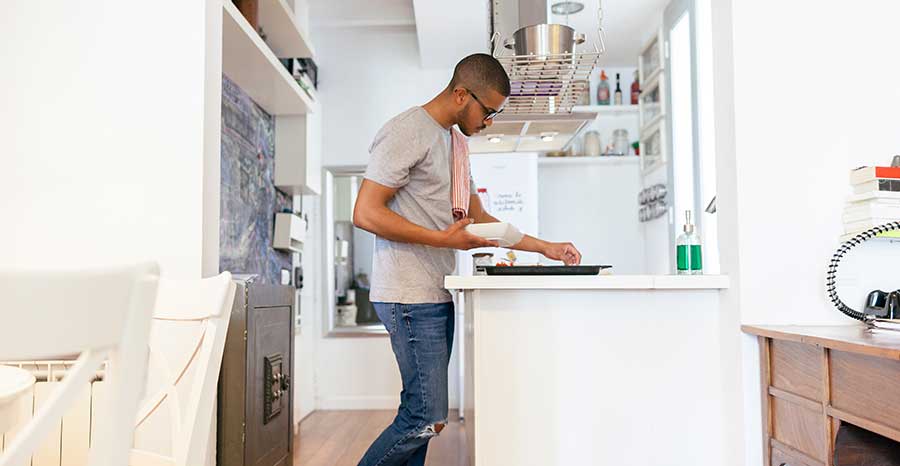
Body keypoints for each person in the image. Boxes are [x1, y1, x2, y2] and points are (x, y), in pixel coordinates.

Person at [353, 53, 582, 466]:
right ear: (461, 94)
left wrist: (544, 247)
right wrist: (441, 238)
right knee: (427, 415)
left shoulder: (455, 142)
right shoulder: (407, 131)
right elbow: (365, 212)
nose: (489, 122)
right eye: (488, 111)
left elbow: (478, 219)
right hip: (407, 294)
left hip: (434, 292)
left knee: (421, 414)